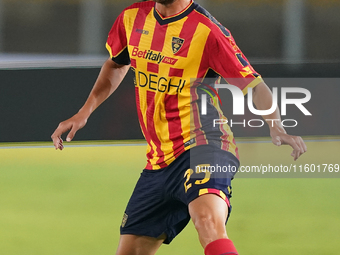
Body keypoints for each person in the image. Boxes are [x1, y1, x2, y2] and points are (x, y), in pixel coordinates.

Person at [51, 0, 307, 254]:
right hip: (160, 159)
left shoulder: (207, 30)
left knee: (207, 220)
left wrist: (277, 127)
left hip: (206, 145)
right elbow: (117, 63)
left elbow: (253, 84)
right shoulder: (132, 17)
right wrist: (84, 112)